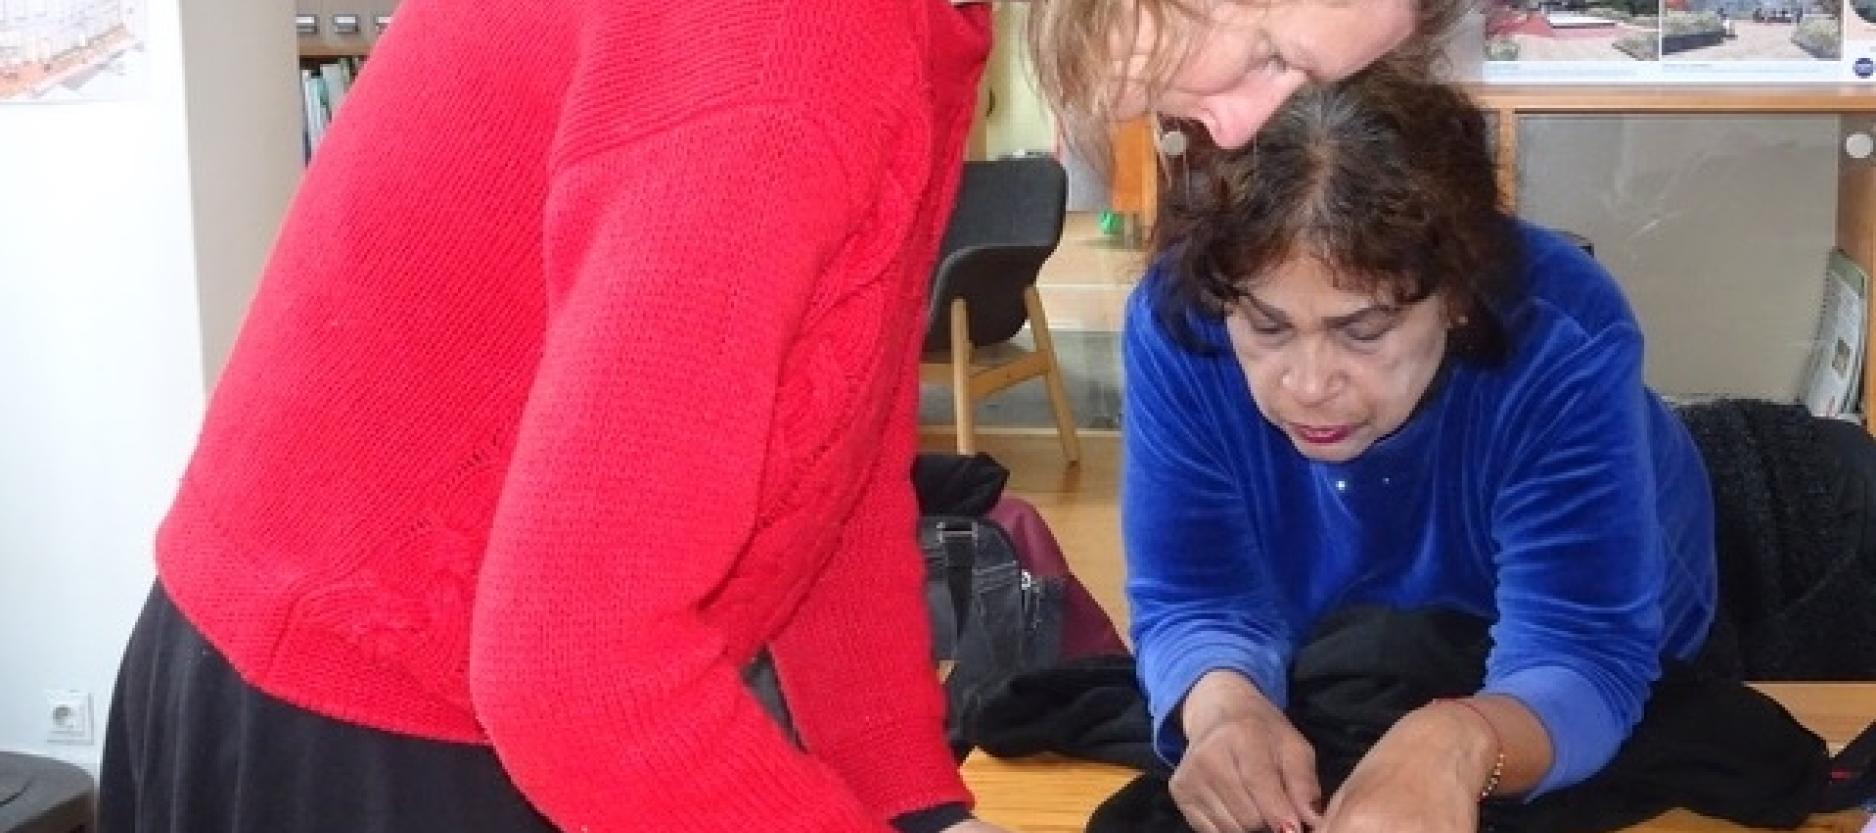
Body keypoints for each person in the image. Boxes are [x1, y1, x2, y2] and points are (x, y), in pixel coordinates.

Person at [96, 0, 1456, 830]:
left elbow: (831, 456)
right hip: (355, 710)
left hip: (508, 685)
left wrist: (909, 795)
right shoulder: (793, 39)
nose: (1239, 127)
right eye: (1267, 45)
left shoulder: (927, 24)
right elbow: (580, 672)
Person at [1118, 62, 1718, 833]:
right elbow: (1194, 595)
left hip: (1608, 625)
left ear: (1458, 294)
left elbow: (1586, 652)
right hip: (1355, 640)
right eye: (1267, 327)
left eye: (1362, 331)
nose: (1306, 384)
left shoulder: (1561, 336)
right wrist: (1225, 705)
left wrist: (1460, 739)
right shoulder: (1182, 316)